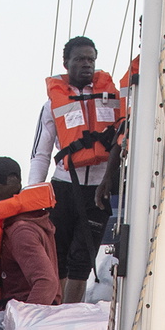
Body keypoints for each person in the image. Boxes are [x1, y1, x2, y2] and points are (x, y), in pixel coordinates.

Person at [31, 35, 124, 302]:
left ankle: (70, 314)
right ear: (66, 63)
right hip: (63, 187)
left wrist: (110, 179)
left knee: (83, 258)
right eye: (80, 59)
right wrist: (34, 198)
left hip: (98, 189)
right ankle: (55, 310)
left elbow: (123, 140)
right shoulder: (52, 106)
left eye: (91, 60)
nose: (87, 64)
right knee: (58, 254)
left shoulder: (113, 101)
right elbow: (40, 153)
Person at [0, 155, 60, 307]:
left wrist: (26, 323)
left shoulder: (20, 231)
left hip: (21, 315)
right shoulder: (31, 219)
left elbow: (47, 282)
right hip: (13, 309)